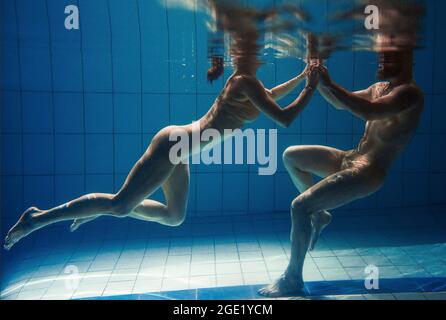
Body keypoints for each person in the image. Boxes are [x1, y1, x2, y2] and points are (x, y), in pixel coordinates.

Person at [3, 3, 320, 251]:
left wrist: (303, 77)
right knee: (120, 205)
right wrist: (311, 88)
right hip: (174, 145)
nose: (261, 56)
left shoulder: (249, 84)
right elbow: (284, 117)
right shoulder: (246, 81)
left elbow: (271, 96)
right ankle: (37, 219)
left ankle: (102, 207)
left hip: (181, 150)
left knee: (173, 216)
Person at [259, 35, 424, 297]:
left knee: (299, 206)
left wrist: (328, 82)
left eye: (390, 54)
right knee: (291, 156)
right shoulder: (380, 86)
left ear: (408, 59)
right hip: (350, 158)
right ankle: (321, 214)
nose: (381, 57)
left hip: (368, 171)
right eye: (381, 53)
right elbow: (338, 101)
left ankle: (293, 278)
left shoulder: (410, 93)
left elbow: (369, 110)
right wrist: (318, 71)